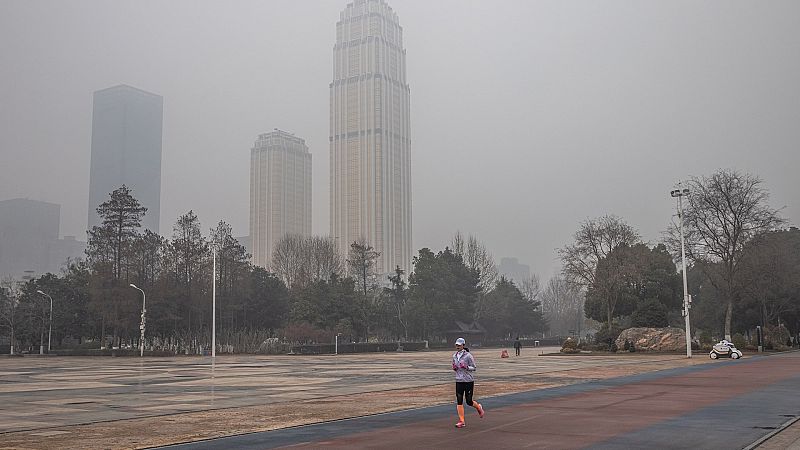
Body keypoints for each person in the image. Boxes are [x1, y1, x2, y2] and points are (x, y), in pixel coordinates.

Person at [451, 337, 484, 428]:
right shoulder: (454, 356)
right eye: (456, 345)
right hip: (459, 380)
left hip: (468, 380)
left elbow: (474, 367)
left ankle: (478, 407)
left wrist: (466, 367)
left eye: (459, 345)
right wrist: (454, 368)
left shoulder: (468, 356)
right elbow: (454, 366)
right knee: (459, 400)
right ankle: (462, 421)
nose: (457, 346)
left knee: (469, 401)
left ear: (463, 345)